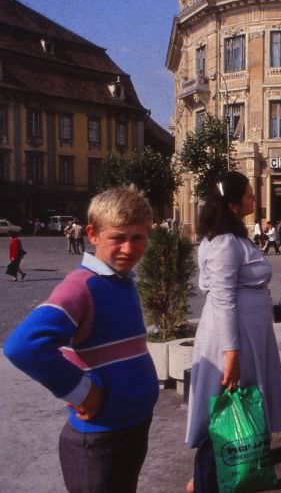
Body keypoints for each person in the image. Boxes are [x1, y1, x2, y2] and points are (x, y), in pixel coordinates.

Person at [4, 187, 159, 493]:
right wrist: (81, 391)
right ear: (93, 234)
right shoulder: (82, 286)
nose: (129, 248)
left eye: (138, 237)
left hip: (132, 427)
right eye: (118, 238)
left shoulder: (121, 280)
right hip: (98, 441)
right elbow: (23, 345)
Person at [186, 171, 281, 493]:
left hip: (245, 336)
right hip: (234, 338)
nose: (254, 200)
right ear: (232, 204)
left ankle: (211, 478)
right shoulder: (224, 243)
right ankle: (206, 482)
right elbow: (223, 298)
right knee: (224, 409)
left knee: (238, 405)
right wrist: (231, 353)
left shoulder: (233, 238)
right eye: (248, 195)